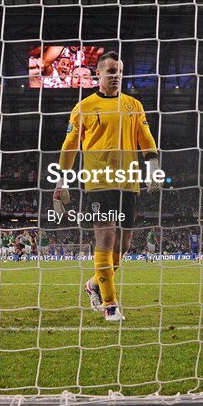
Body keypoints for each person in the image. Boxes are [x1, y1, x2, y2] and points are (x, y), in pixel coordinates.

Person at [50, 51, 161, 322]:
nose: (116, 77)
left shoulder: (134, 105)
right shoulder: (84, 107)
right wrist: (61, 180)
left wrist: (154, 166)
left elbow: (145, 137)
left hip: (129, 184)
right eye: (110, 72)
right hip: (99, 184)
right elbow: (70, 146)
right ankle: (110, 305)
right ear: (97, 74)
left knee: (120, 250)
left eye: (119, 72)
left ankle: (92, 285)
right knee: (105, 240)